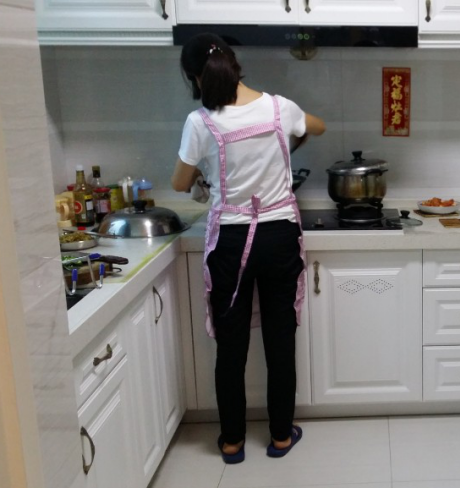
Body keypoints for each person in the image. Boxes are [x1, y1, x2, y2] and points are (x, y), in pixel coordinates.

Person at [171, 32, 326, 464]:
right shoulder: (279, 108)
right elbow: (317, 125)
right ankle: (281, 436)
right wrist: (294, 137)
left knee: (231, 346)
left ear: (195, 77)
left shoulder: (201, 122)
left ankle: (232, 441)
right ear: (235, 65)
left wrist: (204, 175)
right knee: (280, 340)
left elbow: (180, 183)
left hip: (231, 242)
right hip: (279, 236)